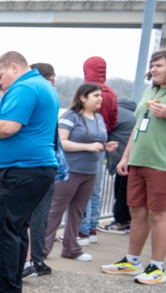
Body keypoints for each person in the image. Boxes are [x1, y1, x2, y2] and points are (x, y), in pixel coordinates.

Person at [0, 51, 59, 293]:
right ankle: (6, 285)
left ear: (14, 67)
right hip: (33, 171)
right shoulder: (41, 86)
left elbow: (6, 127)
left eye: (0, 76)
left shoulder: (25, 87)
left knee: (3, 229)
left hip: (22, 172)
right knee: (15, 228)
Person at [101, 50, 166, 285]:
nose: (154, 69)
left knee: (158, 214)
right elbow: (139, 126)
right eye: (153, 65)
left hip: (161, 163)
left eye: (159, 65)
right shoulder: (150, 91)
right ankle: (132, 260)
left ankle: (158, 266)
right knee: (137, 211)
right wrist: (125, 157)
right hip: (138, 160)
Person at [42, 83, 116, 262]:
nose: (100, 98)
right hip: (70, 171)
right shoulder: (71, 117)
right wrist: (88, 146)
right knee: (55, 210)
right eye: (96, 95)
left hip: (90, 172)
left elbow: (95, 142)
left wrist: (106, 147)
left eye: (101, 95)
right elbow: (62, 142)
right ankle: (41, 250)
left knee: (78, 210)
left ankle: (71, 248)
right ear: (83, 97)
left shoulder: (98, 118)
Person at [79, 56, 120, 242]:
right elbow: (113, 121)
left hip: (82, 148)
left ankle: (82, 231)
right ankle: (93, 228)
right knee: (95, 190)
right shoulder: (110, 94)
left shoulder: (87, 92)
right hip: (102, 146)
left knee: (82, 191)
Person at [24, 62, 59, 277]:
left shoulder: (42, 100)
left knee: (37, 216)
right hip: (39, 166)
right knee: (35, 216)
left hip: (42, 166)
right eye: (51, 78)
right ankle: (32, 259)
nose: (53, 83)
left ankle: (33, 258)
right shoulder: (41, 99)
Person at [98, 98, 138, 234]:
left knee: (122, 192)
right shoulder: (133, 114)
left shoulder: (118, 113)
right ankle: (128, 220)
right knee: (130, 193)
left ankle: (120, 222)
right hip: (135, 158)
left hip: (125, 159)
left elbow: (101, 131)